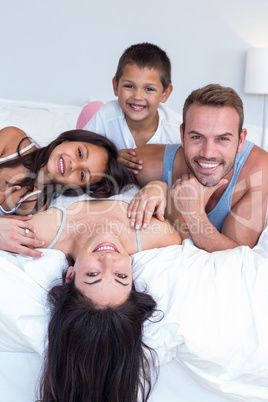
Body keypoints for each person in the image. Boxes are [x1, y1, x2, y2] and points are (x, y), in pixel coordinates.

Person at [12, 185, 181, 402]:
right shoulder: (159, 237)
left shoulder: (39, 235)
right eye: (121, 276)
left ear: (70, 276)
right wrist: (159, 187)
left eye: (93, 274)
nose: (108, 260)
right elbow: (178, 198)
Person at [126, 84, 268, 251]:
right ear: (182, 135)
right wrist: (157, 186)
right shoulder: (147, 164)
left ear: (241, 140)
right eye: (197, 137)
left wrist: (194, 215)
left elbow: (236, 256)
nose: (208, 153)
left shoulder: (258, 169)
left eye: (222, 139)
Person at [0, 127, 136, 257]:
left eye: (82, 174)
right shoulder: (14, 139)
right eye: (80, 153)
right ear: (68, 139)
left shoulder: (35, 204)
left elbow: (8, 230)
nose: (73, 165)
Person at [83, 42, 181, 174]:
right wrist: (111, 158)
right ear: (116, 86)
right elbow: (80, 152)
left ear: (165, 93)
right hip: (99, 117)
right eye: (129, 86)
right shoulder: (106, 115)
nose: (138, 96)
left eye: (149, 89)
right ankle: (89, 110)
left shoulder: (176, 131)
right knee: (90, 115)